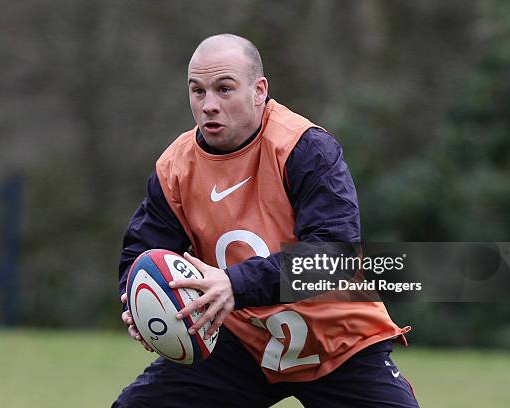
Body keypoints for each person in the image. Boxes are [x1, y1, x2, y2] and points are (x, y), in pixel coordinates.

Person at [112, 34, 419, 407]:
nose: (209, 105)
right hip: (242, 341)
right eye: (198, 91)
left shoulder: (304, 148)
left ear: (259, 90)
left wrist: (234, 284)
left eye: (224, 89)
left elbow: (334, 255)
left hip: (340, 342)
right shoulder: (175, 168)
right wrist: (137, 303)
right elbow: (143, 253)